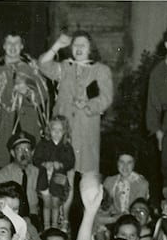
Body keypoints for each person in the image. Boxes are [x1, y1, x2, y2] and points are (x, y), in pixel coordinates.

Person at [37, 32, 112, 176]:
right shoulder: (65, 67)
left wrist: (88, 104)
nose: (78, 48)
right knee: (62, 176)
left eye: (83, 45)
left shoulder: (101, 70)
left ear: (90, 49)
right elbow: (43, 64)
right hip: (63, 130)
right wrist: (57, 45)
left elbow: (106, 98)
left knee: (86, 176)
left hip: (86, 130)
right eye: (75, 45)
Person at [0, 32, 50, 171]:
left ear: (22, 46)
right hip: (3, 121)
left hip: (26, 122)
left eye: (16, 43)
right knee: (3, 163)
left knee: (27, 164)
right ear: (3, 46)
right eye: (9, 43)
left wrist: (27, 92)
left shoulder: (31, 67)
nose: (13, 47)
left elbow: (42, 96)